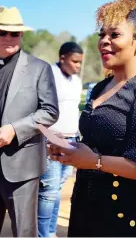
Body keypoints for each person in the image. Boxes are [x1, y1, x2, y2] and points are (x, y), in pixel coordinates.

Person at [48, 0, 136, 237]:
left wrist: (95, 161)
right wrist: (69, 149)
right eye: (101, 35)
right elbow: (99, 143)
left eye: (114, 35)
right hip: (86, 208)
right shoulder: (100, 88)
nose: (104, 41)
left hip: (126, 218)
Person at [0, 6, 59, 237]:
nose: (8, 38)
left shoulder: (39, 69)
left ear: (22, 35)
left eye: (14, 33)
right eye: (2, 32)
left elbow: (50, 111)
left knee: (24, 233)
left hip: (21, 169)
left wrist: (15, 129)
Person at [38, 42, 83, 237]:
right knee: (48, 193)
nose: (78, 66)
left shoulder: (76, 81)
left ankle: (51, 232)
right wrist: (47, 135)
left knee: (57, 191)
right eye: (75, 61)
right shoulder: (48, 76)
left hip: (71, 141)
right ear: (62, 57)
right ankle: (42, 235)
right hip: (52, 143)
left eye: (80, 63)